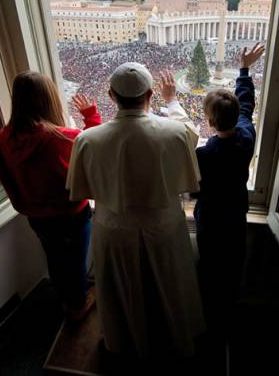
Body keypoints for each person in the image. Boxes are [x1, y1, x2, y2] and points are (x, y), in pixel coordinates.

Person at [66, 62, 205, 359]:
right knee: (170, 287)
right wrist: (172, 101)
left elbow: (81, 189)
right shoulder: (176, 133)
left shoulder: (86, 140)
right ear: (150, 94)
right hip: (164, 226)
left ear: (111, 96)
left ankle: (124, 342)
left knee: (120, 293)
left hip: (113, 228)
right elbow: (189, 134)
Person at [0, 71, 101, 321]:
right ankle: (77, 305)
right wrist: (91, 116)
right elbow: (94, 151)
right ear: (49, 100)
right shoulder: (62, 137)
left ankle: (65, 298)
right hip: (71, 215)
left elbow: (6, 180)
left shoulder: (1, 141)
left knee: (54, 259)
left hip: (36, 217)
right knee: (75, 263)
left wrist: (23, 206)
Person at [192, 42, 265, 334]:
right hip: (235, 214)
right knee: (234, 265)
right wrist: (244, 70)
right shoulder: (247, 134)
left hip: (210, 219)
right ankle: (228, 314)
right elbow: (246, 103)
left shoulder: (204, 155)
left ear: (209, 122)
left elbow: (193, 190)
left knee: (209, 267)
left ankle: (208, 314)